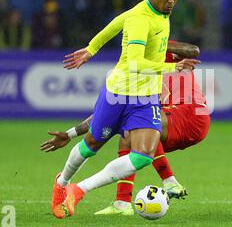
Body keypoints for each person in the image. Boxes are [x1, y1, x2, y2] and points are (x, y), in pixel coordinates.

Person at [50, 0, 200, 219]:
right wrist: (173, 68)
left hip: (146, 98)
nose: (172, 0)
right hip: (119, 94)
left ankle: (78, 190)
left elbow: (115, 23)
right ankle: (62, 182)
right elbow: (134, 64)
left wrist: (91, 49)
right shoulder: (141, 18)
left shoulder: (159, 12)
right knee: (91, 146)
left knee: (142, 156)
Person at [41, 42, 211, 215]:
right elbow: (107, 115)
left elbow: (194, 51)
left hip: (192, 113)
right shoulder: (133, 71)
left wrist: (160, 44)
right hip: (171, 118)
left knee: (137, 125)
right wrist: (71, 134)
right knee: (129, 130)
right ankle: (122, 204)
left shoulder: (162, 49)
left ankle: (169, 182)